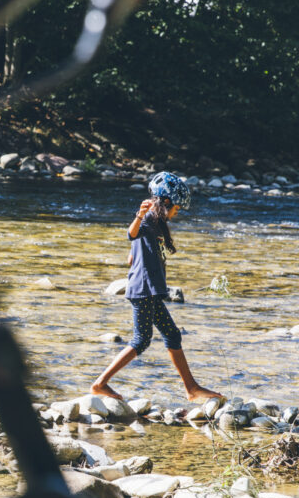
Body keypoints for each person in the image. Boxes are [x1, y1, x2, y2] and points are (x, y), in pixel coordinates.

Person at [91, 171, 222, 403]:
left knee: (172, 334)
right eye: (176, 208)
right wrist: (139, 215)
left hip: (149, 290)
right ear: (167, 201)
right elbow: (131, 234)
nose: (176, 213)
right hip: (143, 290)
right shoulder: (148, 218)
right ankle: (100, 384)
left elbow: (131, 257)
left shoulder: (158, 224)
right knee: (141, 340)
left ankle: (191, 388)